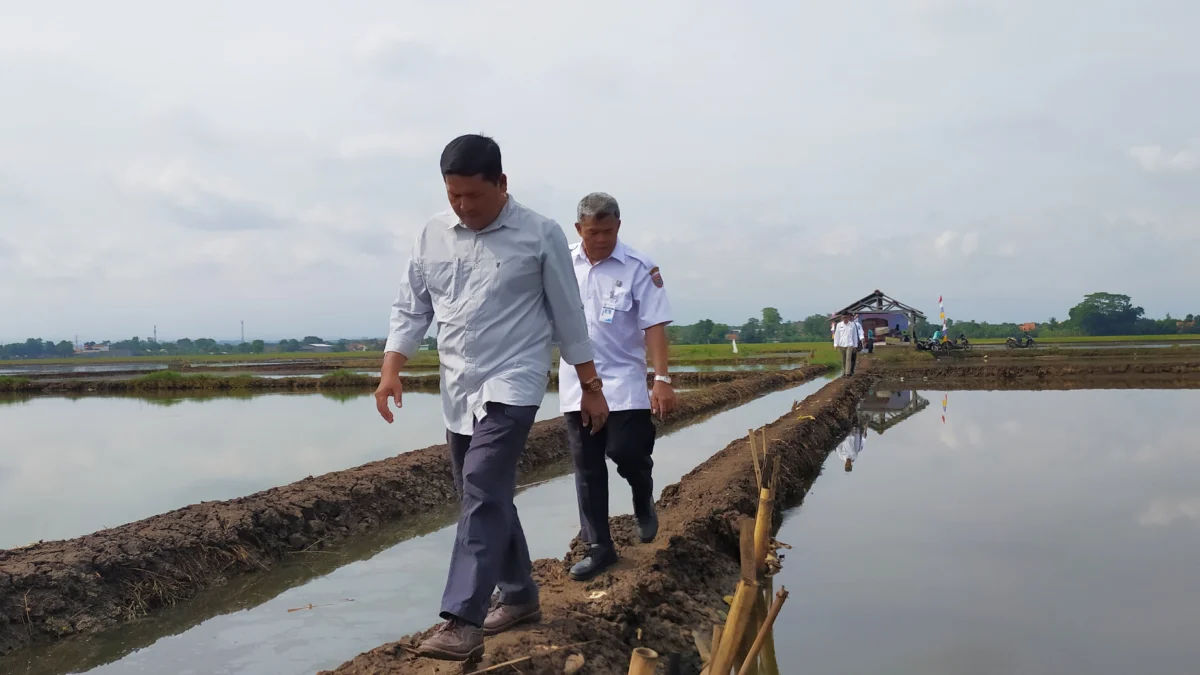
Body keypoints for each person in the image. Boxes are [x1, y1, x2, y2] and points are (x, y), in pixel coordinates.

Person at [374, 134, 611, 662]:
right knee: (482, 491)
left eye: (474, 196)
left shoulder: (540, 234)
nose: (463, 206)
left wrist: (592, 388)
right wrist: (392, 370)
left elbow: (570, 318)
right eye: (454, 196)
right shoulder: (432, 234)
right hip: (457, 385)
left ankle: (462, 617)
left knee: (482, 481)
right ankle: (522, 595)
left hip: (514, 379)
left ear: (502, 185)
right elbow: (412, 308)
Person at [559, 192, 675, 582]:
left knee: (626, 451)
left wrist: (661, 379)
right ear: (579, 230)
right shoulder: (560, 265)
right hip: (577, 384)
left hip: (624, 382)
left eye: (609, 231)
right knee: (587, 468)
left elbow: (654, 324)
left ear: (619, 227)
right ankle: (599, 548)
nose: (602, 239)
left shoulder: (640, 267)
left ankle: (643, 493)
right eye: (594, 232)